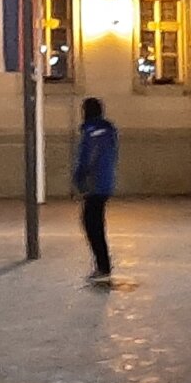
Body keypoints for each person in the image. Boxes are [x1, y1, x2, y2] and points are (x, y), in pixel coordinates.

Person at [72, 96, 119, 280]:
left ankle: (103, 265)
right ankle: (103, 264)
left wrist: (80, 178)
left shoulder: (92, 132)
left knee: (91, 223)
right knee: (95, 222)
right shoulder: (109, 131)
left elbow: (87, 157)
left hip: (95, 183)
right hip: (105, 181)